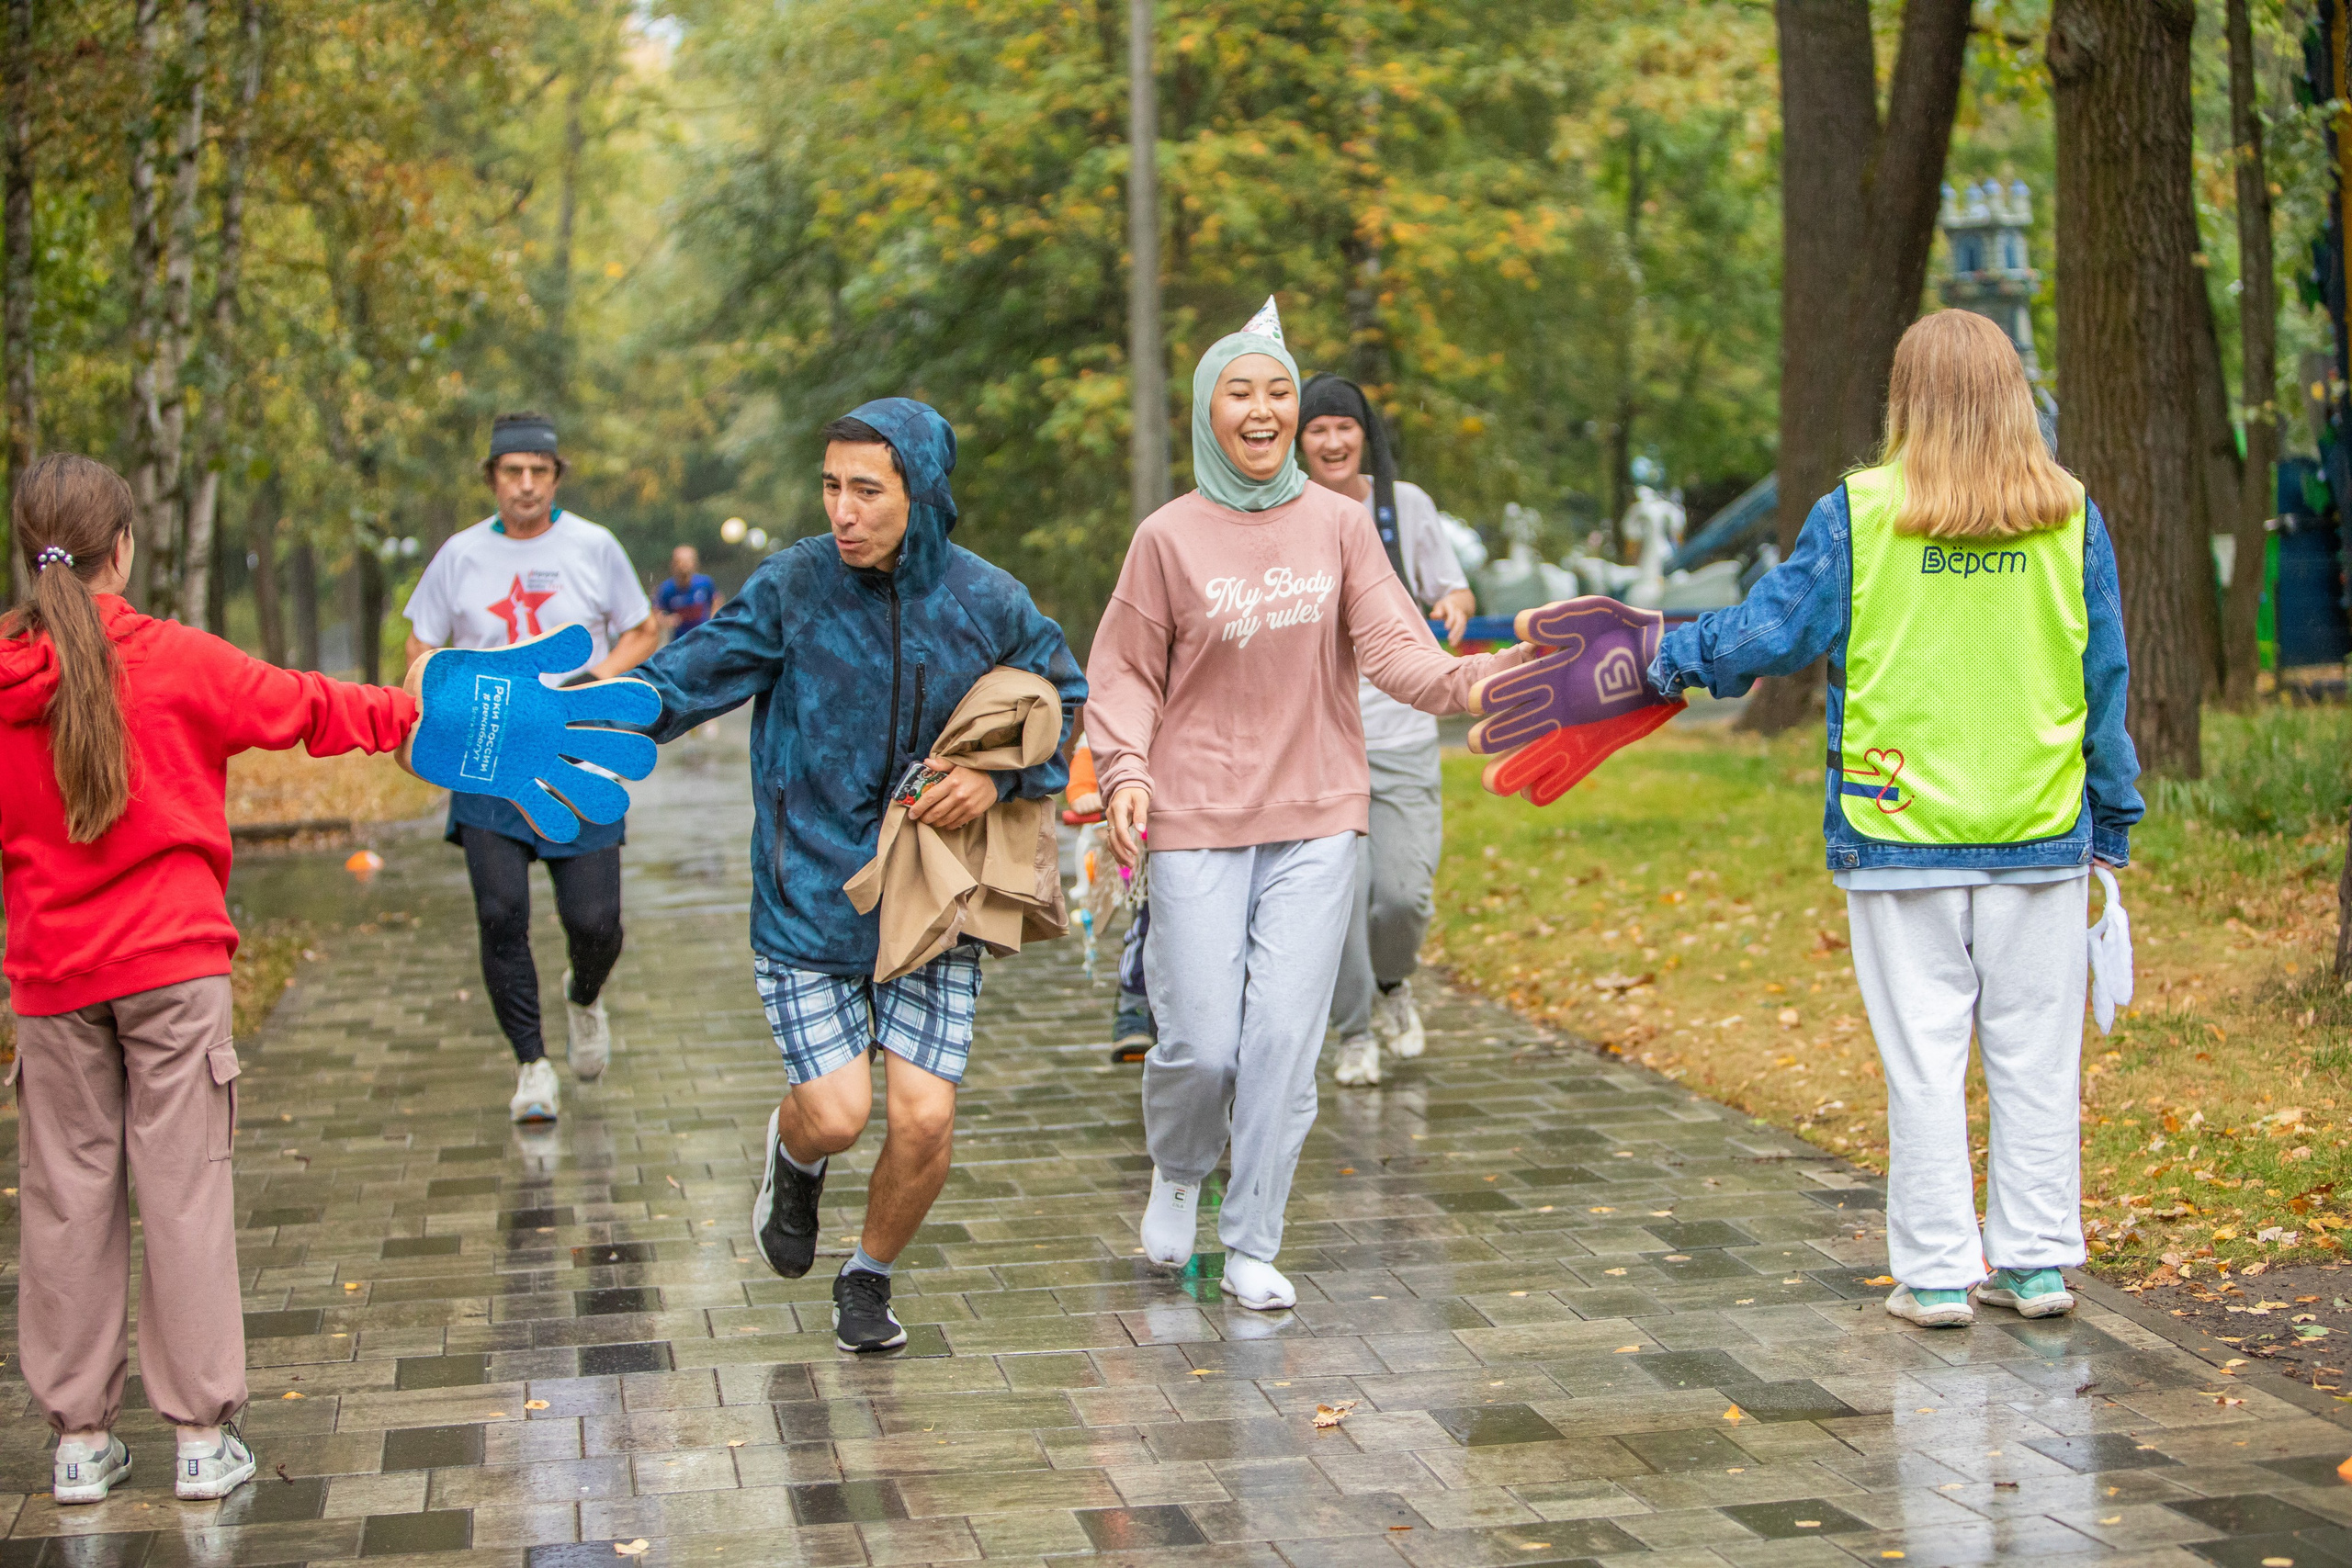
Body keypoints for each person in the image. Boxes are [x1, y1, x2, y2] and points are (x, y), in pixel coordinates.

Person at [1645, 310, 2142, 1328]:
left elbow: (1773, 632)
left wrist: (1667, 659)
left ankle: (1937, 1275)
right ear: (2012, 394)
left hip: (1897, 828)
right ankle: (2035, 1265)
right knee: (2035, 1061)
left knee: (1924, 1061)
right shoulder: (2069, 514)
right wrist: (2114, 814)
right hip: (2037, 825)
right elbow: (2104, 679)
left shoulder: (1859, 513)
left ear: (1906, 397)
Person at [1084, 300, 1538, 1311]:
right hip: (1194, 817)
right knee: (1203, 1043)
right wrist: (1125, 772)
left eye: (1278, 392)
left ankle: (1252, 1239)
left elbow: (1397, 652)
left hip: (1318, 815)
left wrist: (1478, 680)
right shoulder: (1167, 537)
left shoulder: (1338, 526)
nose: (1263, 410)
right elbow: (1122, 676)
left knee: (1284, 1042)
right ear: (1208, 411)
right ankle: (1179, 1168)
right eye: (1240, 392)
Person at [0, 455, 419, 1505]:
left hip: (52, 978)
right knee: (183, 1190)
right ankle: (199, 1440)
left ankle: (79, 1445)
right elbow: (308, 707)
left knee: (65, 1200)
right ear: (123, 549)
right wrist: (414, 714)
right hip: (174, 970)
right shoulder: (177, 659)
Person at [625, 398, 1084, 1352]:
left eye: (866, 490)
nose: (843, 510)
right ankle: (794, 1156)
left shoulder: (988, 600)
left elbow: (1065, 699)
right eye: (831, 487)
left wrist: (996, 777)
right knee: (838, 1116)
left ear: (922, 492)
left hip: (933, 900)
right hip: (808, 896)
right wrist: (577, 716)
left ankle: (868, 1274)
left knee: (924, 1118)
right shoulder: (794, 586)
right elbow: (685, 679)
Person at [402, 412, 659, 1123]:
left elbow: (643, 628)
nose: (525, 484)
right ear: (492, 477)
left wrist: (596, 678)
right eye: (512, 471)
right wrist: (438, 709)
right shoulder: (459, 555)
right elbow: (421, 648)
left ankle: (584, 994)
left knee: (596, 921)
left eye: (538, 471)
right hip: (488, 761)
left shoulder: (593, 546)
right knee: (500, 914)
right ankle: (531, 1066)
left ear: (555, 477)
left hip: (576, 756)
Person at [1297, 373, 1475, 1087]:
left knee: (1402, 895)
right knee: (1340, 902)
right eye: (1317, 429)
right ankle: (1354, 1032)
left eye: (1344, 426)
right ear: (1298, 442)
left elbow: (1452, 585)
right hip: (1319, 743)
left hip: (1402, 734)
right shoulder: (1284, 511)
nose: (1332, 441)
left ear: (1364, 433)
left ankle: (1393, 982)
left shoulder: (1405, 507)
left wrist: (1455, 604)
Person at [655, 544, 720, 638]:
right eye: (679, 561)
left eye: (687, 561)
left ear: (695, 563)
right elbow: (656, 614)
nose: (683, 565)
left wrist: (713, 621)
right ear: (673, 564)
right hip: (680, 640)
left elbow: (717, 601)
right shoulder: (666, 589)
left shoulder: (705, 583)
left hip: (704, 636)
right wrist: (667, 620)